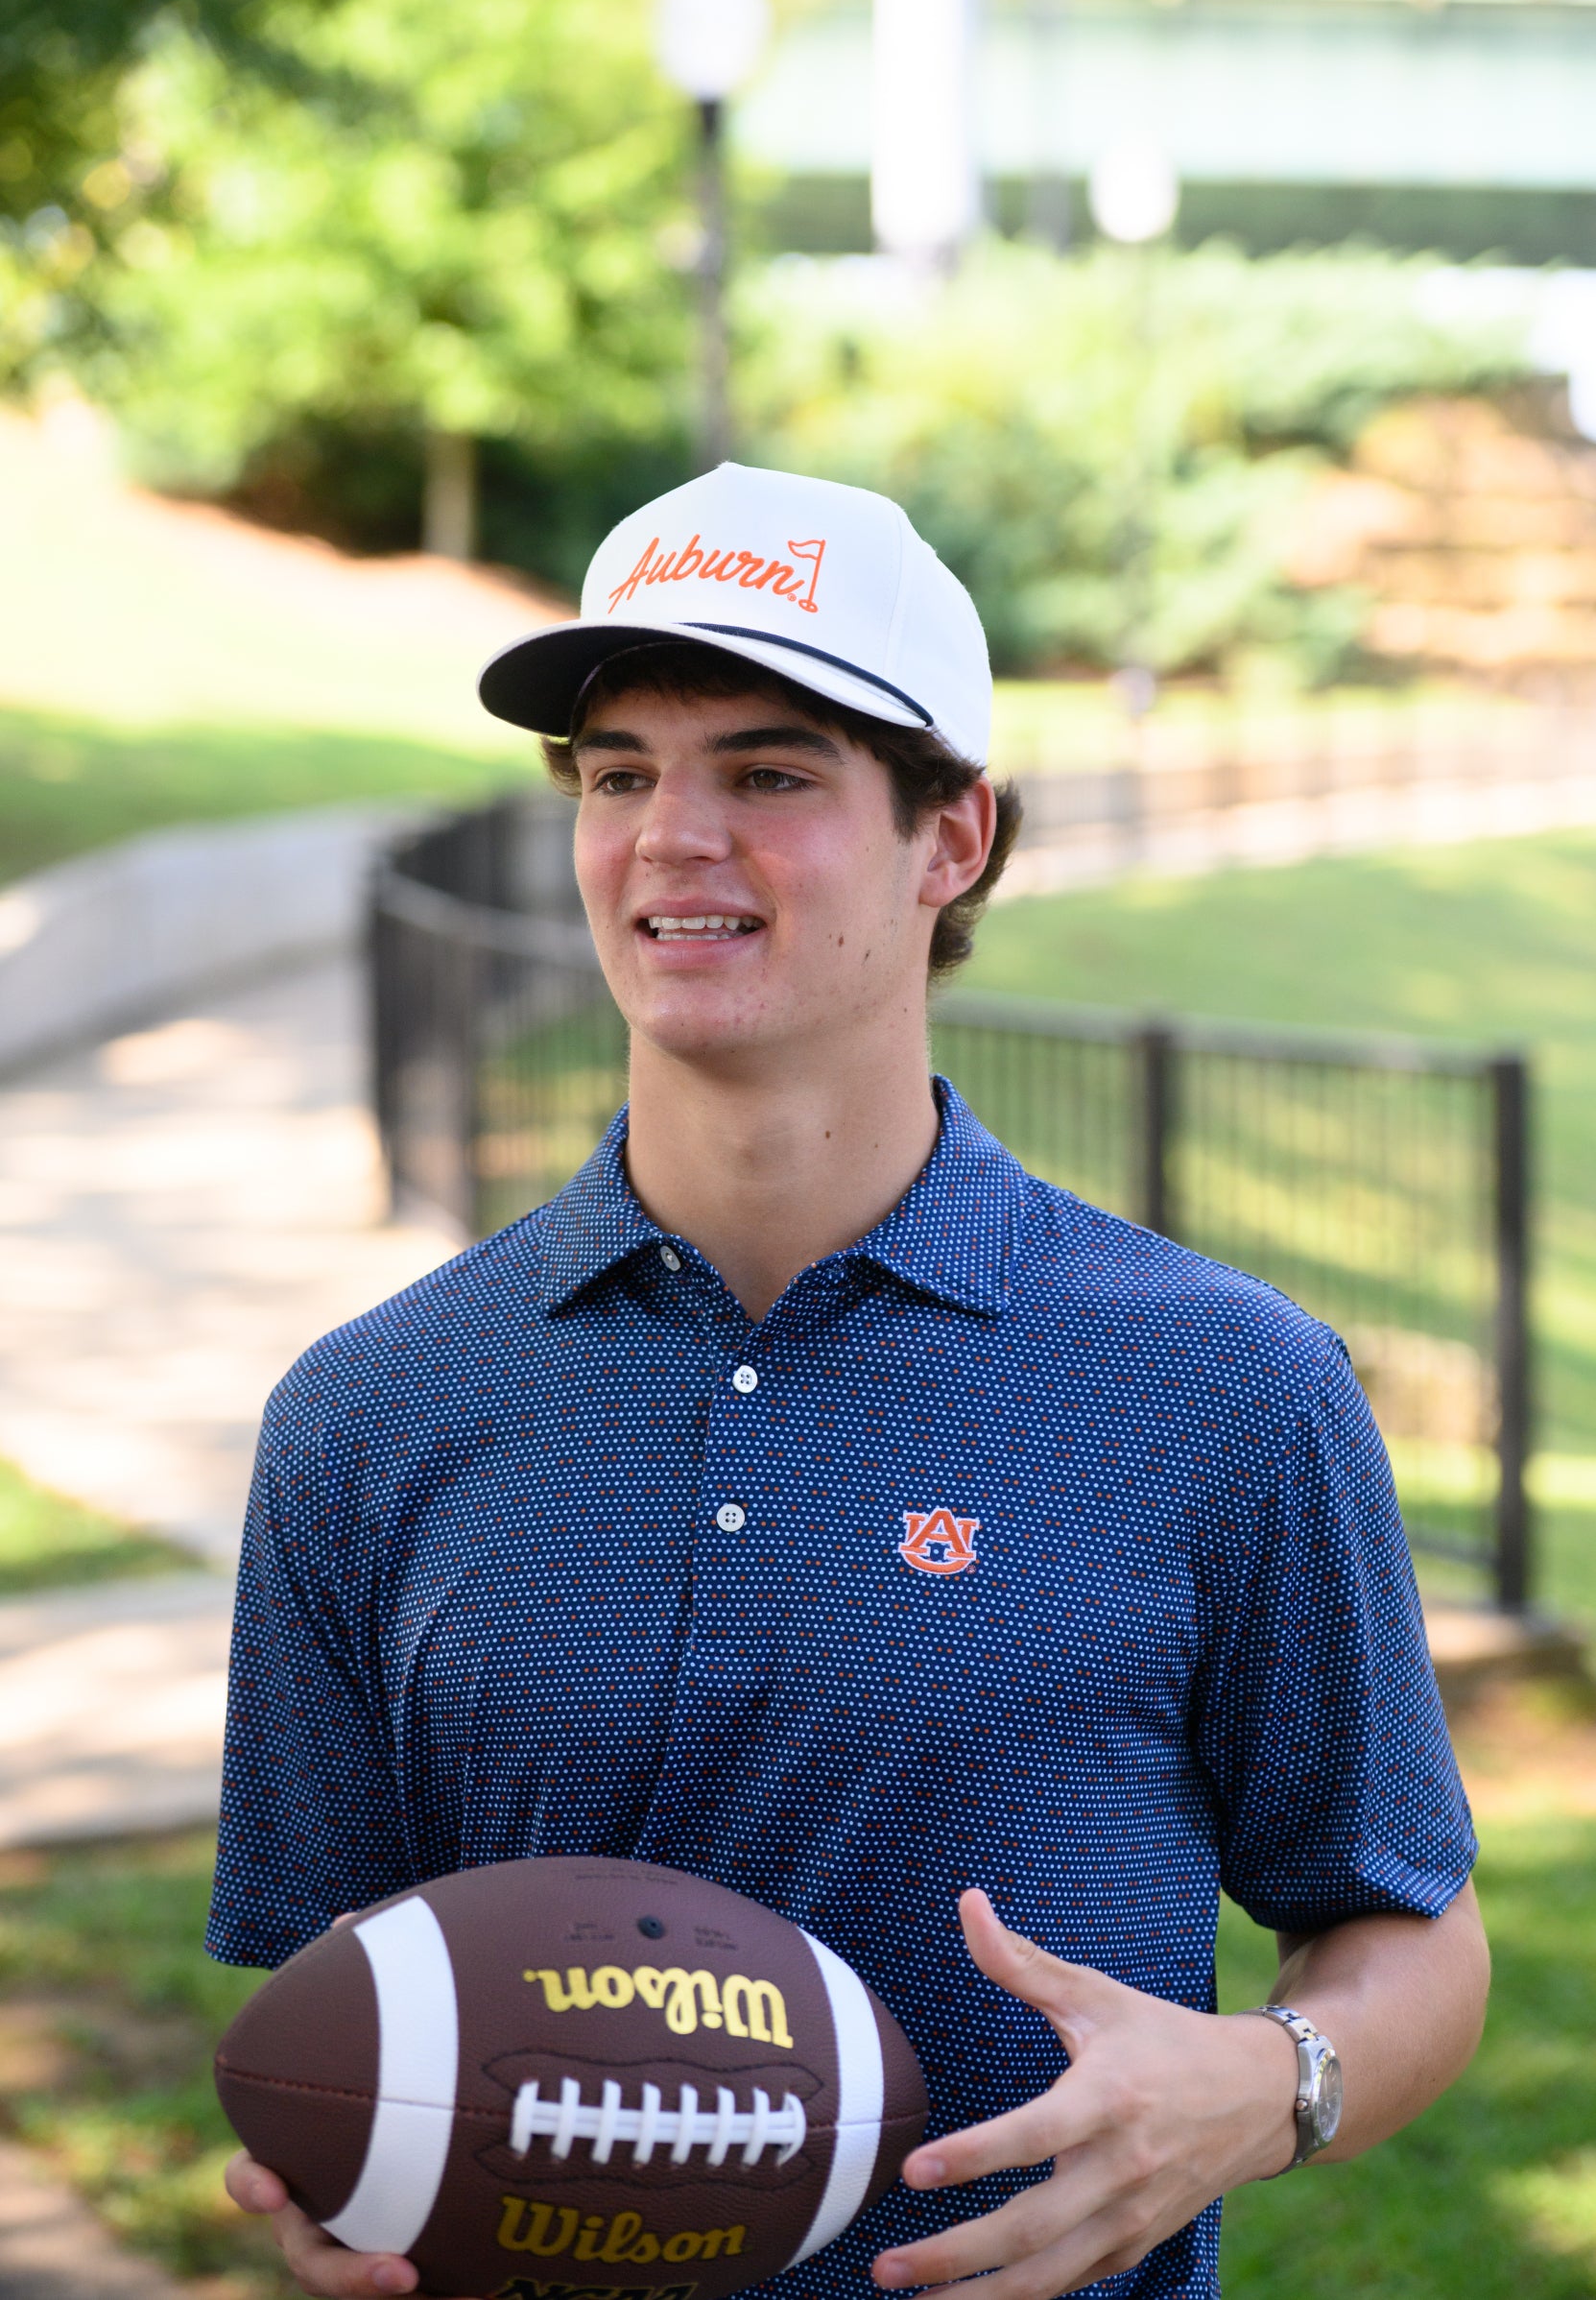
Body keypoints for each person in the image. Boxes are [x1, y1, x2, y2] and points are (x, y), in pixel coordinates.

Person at [213, 463, 1488, 2300]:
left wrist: (1272, 2080)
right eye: (620, 772)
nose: (671, 835)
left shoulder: (1223, 1383)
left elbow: (1411, 1934)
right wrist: (340, 2195)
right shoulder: (368, 1412)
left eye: (771, 772)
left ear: (952, 837)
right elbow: (338, 1999)